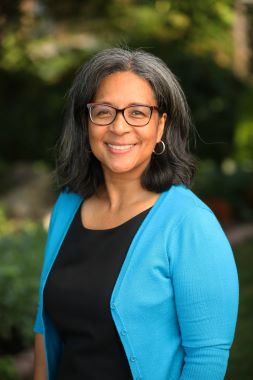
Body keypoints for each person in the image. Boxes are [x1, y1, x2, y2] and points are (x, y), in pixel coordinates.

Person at [33, 48, 239, 380]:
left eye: (138, 113)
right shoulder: (67, 205)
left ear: (160, 126)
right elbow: (44, 321)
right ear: (86, 122)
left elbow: (206, 358)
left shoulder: (190, 224)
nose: (119, 126)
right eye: (103, 112)